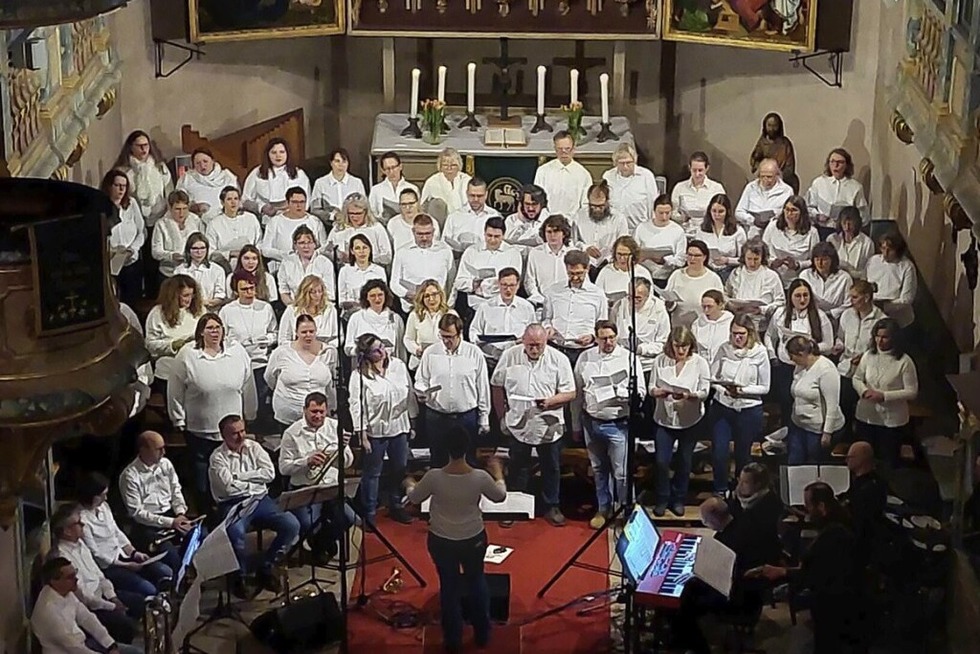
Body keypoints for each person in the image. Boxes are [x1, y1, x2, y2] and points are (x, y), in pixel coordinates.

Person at [405, 428, 507, 654]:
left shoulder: (433, 477)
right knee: (476, 580)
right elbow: (500, 496)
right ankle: (482, 634)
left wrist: (409, 482)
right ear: (467, 448)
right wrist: (498, 473)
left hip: (442, 540)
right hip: (473, 538)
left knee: (448, 588)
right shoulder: (479, 477)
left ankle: (453, 639)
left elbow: (413, 498)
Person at [750, 482, 865, 654]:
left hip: (833, 607)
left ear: (822, 506)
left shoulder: (834, 536)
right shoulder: (837, 526)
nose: (805, 510)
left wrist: (782, 572)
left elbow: (814, 575)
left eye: (808, 505)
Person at [491, 324, 577, 527]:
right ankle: (514, 505)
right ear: (523, 341)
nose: (534, 350)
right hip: (518, 423)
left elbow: (571, 393)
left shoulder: (559, 359)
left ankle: (551, 505)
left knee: (551, 467)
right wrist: (501, 416)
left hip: (548, 425)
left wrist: (550, 401)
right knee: (517, 466)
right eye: (530, 345)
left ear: (546, 342)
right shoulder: (510, 356)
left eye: (539, 345)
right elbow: (497, 385)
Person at [168, 313, 257, 504]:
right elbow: (175, 389)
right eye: (210, 328)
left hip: (231, 434)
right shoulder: (187, 355)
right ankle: (207, 518)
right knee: (203, 483)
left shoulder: (237, 352)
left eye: (218, 327)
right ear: (201, 332)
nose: (215, 332)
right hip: (201, 432)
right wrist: (178, 418)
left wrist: (250, 412)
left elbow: (248, 385)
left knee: (231, 479)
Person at [209, 414, 300, 595]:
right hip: (233, 503)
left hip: (260, 500)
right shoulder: (217, 458)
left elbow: (269, 474)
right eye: (235, 433)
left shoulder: (254, 447)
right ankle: (239, 576)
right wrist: (254, 480)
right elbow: (228, 488)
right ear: (223, 436)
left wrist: (239, 477)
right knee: (236, 535)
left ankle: (266, 566)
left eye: (243, 431)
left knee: (292, 524)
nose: (241, 436)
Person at [573, 320, 645, 529]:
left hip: (618, 422)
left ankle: (626, 508)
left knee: (621, 472)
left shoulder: (628, 358)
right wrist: (576, 424)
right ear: (596, 338)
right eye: (604, 338)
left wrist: (623, 394)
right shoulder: (585, 358)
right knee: (598, 469)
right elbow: (578, 394)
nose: (608, 342)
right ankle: (603, 508)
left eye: (612, 337)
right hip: (592, 421)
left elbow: (641, 391)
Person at [349, 333, 417, 527]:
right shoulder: (359, 376)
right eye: (376, 350)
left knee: (399, 469)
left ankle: (396, 505)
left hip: (399, 427)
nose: (382, 352)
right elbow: (356, 405)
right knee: (372, 473)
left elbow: (409, 393)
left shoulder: (398, 366)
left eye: (382, 347)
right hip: (375, 431)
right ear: (366, 355)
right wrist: (361, 435)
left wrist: (413, 421)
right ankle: (369, 511)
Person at [279, 392, 355, 562]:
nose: (318, 416)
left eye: (321, 411)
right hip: (305, 488)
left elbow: (348, 463)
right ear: (304, 410)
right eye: (314, 411)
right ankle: (321, 543)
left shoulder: (335, 427)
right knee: (308, 524)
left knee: (349, 518)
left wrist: (343, 449)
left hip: (330, 487)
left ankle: (320, 544)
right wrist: (307, 461)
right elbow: (283, 468)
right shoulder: (291, 433)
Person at [77, 473, 173, 600]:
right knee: (149, 589)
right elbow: (96, 554)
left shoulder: (104, 507)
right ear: (92, 497)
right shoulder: (82, 519)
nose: (105, 499)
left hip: (123, 555)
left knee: (165, 571)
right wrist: (126, 565)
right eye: (102, 495)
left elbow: (116, 532)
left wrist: (133, 552)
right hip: (111, 566)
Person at [50, 504, 138, 643]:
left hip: (103, 595)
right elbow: (84, 597)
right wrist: (112, 606)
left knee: (141, 602)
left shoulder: (81, 544)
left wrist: (113, 597)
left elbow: (100, 576)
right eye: (78, 523)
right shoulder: (63, 558)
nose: (83, 524)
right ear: (67, 531)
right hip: (90, 607)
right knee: (126, 626)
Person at [649, 326, 711, 516]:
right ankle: (662, 498)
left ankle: (678, 499)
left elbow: (705, 391)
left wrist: (691, 396)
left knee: (684, 461)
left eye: (685, 346)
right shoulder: (660, 360)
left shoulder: (699, 363)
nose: (681, 350)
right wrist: (658, 392)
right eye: (677, 346)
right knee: (661, 462)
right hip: (664, 418)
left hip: (689, 420)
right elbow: (651, 386)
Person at [415, 314, 491, 467]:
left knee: (468, 462)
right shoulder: (431, 352)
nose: (446, 341)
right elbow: (421, 379)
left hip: (466, 417)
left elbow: (482, 388)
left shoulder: (474, 353)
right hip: (437, 417)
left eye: (450, 336)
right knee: (438, 461)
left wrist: (484, 418)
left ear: (460, 333)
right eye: (443, 336)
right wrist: (422, 391)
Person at [710, 316, 771, 495]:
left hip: (748, 409)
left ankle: (741, 490)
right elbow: (713, 378)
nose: (737, 338)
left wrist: (742, 391)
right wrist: (724, 390)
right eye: (734, 334)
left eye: (741, 334)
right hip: (723, 407)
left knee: (743, 454)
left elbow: (765, 387)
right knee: (720, 452)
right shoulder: (724, 349)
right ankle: (720, 489)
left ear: (750, 333)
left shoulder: (759, 352)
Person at [32, 557, 142, 654]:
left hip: (83, 644)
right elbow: (75, 648)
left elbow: (87, 618)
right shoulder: (49, 611)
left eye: (75, 574)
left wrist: (110, 645)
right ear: (54, 581)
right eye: (70, 577)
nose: (76, 579)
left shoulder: (66, 592)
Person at [118, 431, 191, 572]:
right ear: (143, 450)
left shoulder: (166, 464)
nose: (163, 452)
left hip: (171, 516)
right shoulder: (130, 475)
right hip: (147, 526)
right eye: (158, 449)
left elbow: (176, 490)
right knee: (171, 554)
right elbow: (137, 513)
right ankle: (181, 583)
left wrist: (180, 513)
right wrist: (171, 522)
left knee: (200, 537)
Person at [852, 318, 919, 465]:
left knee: (887, 463)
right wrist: (863, 391)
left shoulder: (904, 361)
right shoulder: (868, 355)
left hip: (891, 422)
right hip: (867, 417)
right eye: (877, 336)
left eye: (885, 337)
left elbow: (912, 391)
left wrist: (884, 396)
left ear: (894, 338)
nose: (880, 341)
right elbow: (857, 378)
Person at [766, 278, 834, 422]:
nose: (802, 299)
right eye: (798, 295)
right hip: (785, 367)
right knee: (786, 403)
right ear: (790, 297)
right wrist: (772, 356)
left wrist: (810, 348)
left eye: (806, 295)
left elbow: (829, 344)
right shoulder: (780, 313)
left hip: (808, 369)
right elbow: (769, 335)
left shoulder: (819, 315)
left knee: (805, 404)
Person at [266, 313, 338, 430]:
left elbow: (332, 383)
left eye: (311, 331)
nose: (308, 335)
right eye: (304, 332)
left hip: (318, 417)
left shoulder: (329, 352)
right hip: (289, 416)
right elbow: (269, 377)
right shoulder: (281, 352)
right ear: (296, 332)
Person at [220, 270, 279, 409]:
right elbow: (222, 337)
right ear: (236, 291)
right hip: (236, 363)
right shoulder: (227, 310)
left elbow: (275, 332)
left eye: (252, 288)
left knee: (261, 401)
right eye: (244, 289)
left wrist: (268, 339)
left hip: (260, 362)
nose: (249, 292)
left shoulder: (265, 307)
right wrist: (235, 345)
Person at [834, 280, 886, 435]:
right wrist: (838, 345)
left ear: (867, 297)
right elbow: (840, 337)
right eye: (850, 297)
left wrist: (864, 357)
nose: (851, 301)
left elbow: (881, 348)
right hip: (846, 368)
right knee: (843, 405)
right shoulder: (847, 314)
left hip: (867, 372)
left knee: (864, 411)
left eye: (855, 297)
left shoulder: (881, 319)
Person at [786, 336, 844, 465]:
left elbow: (832, 404)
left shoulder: (826, 370)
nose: (790, 360)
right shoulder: (800, 366)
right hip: (798, 425)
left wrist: (827, 433)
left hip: (818, 429)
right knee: (794, 462)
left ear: (801, 354)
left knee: (813, 465)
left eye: (792, 356)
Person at [542, 250, 609, 358]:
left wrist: (592, 337)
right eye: (571, 273)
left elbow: (602, 324)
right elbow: (546, 318)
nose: (575, 278)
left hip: (584, 351)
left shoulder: (598, 294)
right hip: (556, 348)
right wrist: (548, 327)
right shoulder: (553, 291)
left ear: (587, 268)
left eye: (579, 273)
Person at [454, 216, 522, 315]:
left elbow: (514, 284)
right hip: (475, 306)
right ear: (484, 233)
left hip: (502, 306)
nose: (492, 240)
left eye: (497, 236)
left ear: (503, 235)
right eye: (489, 235)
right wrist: (473, 284)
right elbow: (458, 282)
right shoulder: (471, 251)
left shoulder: (513, 254)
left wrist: (491, 286)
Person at [390, 214, 455, 313]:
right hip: (412, 308)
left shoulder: (445, 251)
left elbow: (452, 281)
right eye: (420, 234)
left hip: (439, 308)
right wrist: (407, 294)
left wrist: (449, 305)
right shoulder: (402, 252)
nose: (424, 238)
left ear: (433, 231)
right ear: (413, 232)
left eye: (428, 233)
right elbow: (394, 283)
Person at [144, 274, 204, 382]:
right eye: (185, 295)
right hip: (168, 371)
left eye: (192, 295)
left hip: (195, 371)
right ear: (173, 296)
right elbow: (150, 344)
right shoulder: (157, 314)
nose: (189, 299)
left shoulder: (200, 311)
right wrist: (172, 345)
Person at [468, 267, 536, 360]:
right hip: (491, 358)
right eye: (504, 285)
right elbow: (474, 332)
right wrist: (490, 349)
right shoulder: (485, 307)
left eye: (512, 285)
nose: (508, 289)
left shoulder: (527, 307)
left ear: (518, 285)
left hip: (518, 357)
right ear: (498, 284)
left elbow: (533, 333)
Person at [102, 170, 145, 306]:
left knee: (133, 300)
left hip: (131, 259)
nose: (121, 189)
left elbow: (141, 231)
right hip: (112, 261)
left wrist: (133, 249)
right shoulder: (102, 207)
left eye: (124, 186)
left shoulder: (131, 204)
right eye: (117, 185)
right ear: (109, 186)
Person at [113, 130, 172, 229]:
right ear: (131, 147)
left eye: (146, 145)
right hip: (134, 222)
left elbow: (170, 192)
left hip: (160, 219)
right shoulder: (123, 172)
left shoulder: (160, 167)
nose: (143, 149)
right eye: (139, 145)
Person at [805, 148, 869, 239]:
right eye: (832, 162)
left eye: (840, 162)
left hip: (845, 232)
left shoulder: (856, 187)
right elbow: (808, 207)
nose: (836, 165)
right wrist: (817, 216)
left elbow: (863, 215)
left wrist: (849, 222)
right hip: (822, 229)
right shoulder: (818, 183)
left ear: (847, 165)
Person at [724, 238, 785, 333]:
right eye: (749, 259)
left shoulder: (771, 276)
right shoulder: (736, 273)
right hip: (738, 322)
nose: (752, 263)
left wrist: (761, 309)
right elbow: (726, 294)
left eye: (756, 259)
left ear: (762, 258)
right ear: (744, 257)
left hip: (762, 324)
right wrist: (732, 305)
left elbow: (781, 302)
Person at [259, 186, 327, 271]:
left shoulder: (315, 222)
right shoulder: (275, 221)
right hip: (281, 267)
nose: (299, 205)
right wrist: (285, 255)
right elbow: (265, 250)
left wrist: (309, 255)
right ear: (287, 203)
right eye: (295, 202)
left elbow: (324, 247)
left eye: (302, 202)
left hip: (310, 268)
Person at [242, 137, 311, 220]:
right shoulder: (257, 172)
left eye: (282, 152)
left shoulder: (299, 174)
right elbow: (245, 200)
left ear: (287, 154)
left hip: (292, 219)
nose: (278, 156)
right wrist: (262, 207)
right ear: (268, 154)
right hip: (265, 219)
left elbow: (306, 202)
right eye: (274, 152)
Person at [842, 441, 888, 566]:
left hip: (862, 549)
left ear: (860, 460)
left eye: (849, 457)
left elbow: (861, 524)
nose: (846, 460)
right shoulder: (868, 482)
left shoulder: (867, 489)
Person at [728, 463, 784, 565]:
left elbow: (760, 536)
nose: (739, 485)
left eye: (745, 482)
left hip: (761, 557)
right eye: (739, 480)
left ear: (757, 485)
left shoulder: (771, 504)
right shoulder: (734, 498)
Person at [612, 277, 671, 374]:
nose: (633, 300)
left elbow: (664, 343)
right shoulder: (619, 306)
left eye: (638, 298)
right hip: (623, 364)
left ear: (647, 296)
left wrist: (641, 349)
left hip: (648, 365)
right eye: (630, 296)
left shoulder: (659, 310)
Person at [762, 195, 820, 287]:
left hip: (799, 280)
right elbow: (762, 253)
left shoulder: (812, 232)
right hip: (774, 279)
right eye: (787, 209)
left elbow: (814, 260)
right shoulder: (772, 227)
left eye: (793, 210)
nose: (789, 213)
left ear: (802, 213)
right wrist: (772, 262)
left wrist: (798, 265)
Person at [664, 239, 724, 328]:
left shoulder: (713, 278)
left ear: (704, 257)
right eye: (690, 255)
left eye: (697, 256)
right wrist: (669, 304)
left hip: (704, 326)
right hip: (679, 325)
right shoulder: (676, 275)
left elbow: (720, 305)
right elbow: (665, 298)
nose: (692, 259)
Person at [571, 181, 628, 273]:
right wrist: (585, 248)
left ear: (607, 202)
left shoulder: (619, 218)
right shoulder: (579, 215)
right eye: (593, 206)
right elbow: (572, 241)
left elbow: (624, 244)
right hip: (584, 265)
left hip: (610, 266)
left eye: (601, 206)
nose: (597, 209)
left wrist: (609, 257)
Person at [533, 130, 593, 218]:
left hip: (573, 222)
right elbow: (538, 199)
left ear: (573, 149)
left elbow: (585, 204)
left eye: (567, 149)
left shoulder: (583, 174)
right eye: (560, 149)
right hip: (547, 220)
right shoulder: (543, 171)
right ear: (555, 149)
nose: (564, 152)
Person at [632, 194, 688, 287]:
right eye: (661, 213)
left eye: (667, 213)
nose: (664, 217)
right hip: (643, 276)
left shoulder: (678, 231)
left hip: (667, 277)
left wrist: (665, 260)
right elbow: (633, 252)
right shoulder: (642, 228)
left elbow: (681, 260)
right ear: (654, 211)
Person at [345, 279, 407, 361]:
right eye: (372, 296)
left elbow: (401, 350)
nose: (377, 299)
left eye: (380, 295)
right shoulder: (356, 318)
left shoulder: (396, 319)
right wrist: (362, 350)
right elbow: (348, 348)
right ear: (366, 297)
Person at [602, 142, 659, 231]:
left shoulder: (646, 176)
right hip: (614, 229)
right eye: (621, 163)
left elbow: (652, 203)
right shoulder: (608, 176)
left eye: (628, 162)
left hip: (639, 228)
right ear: (615, 162)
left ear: (634, 160)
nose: (625, 167)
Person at [866, 230, 917, 329]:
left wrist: (884, 307)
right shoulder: (873, 261)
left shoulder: (907, 267)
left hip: (899, 322)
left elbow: (907, 299)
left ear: (898, 250)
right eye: (883, 248)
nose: (885, 253)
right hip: (875, 319)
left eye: (890, 250)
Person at [524, 213, 578, 305]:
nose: (552, 235)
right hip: (542, 303)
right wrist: (540, 299)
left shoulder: (574, 253)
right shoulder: (535, 253)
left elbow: (582, 280)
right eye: (549, 232)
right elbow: (529, 281)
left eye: (556, 231)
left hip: (570, 302)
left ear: (564, 233)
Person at [326, 193, 393, 265]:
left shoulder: (376, 228)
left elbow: (387, 257)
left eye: (358, 213)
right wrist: (338, 256)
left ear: (366, 212)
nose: (355, 217)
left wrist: (364, 258)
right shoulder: (338, 229)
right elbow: (327, 252)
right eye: (351, 213)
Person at [404, 279, 457, 370]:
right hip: (421, 363)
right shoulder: (415, 315)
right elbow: (408, 338)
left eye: (434, 294)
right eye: (427, 296)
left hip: (445, 363)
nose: (431, 299)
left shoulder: (450, 314)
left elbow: (458, 338)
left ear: (440, 295)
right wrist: (416, 350)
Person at [205, 186, 263, 268]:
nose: (233, 202)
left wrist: (251, 255)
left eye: (236, 199)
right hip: (225, 265)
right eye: (229, 199)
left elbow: (259, 242)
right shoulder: (214, 223)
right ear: (222, 202)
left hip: (251, 262)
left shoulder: (251, 218)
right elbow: (210, 252)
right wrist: (231, 253)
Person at [671, 151, 726, 237]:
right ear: (689, 168)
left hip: (708, 234)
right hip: (685, 233)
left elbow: (723, 213)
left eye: (700, 170)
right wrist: (681, 218)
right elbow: (672, 212)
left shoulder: (716, 188)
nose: (697, 174)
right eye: (694, 170)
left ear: (707, 168)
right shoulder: (679, 187)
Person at [735, 158, 794, 239]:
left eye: (769, 177)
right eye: (762, 176)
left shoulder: (787, 191)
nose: (765, 180)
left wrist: (774, 215)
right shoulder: (751, 187)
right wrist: (752, 220)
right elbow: (738, 212)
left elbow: (790, 214)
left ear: (777, 175)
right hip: (752, 234)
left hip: (776, 235)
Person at [277, 225, 336, 305]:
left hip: (320, 308)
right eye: (301, 243)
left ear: (315, 244)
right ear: (295, 245)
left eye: (309, 242)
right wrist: (295, 307)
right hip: (295, 307)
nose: (306, 246)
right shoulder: (287, 263)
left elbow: (329, 295)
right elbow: (284, 292)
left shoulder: (325, 263)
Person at [176, 147, 239, 222]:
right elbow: (178, 203)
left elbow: (238, 201)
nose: (202, 166)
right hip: (198, 222)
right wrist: (194, 207)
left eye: (205, 161)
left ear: (213, 161)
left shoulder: (227, 177)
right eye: (198, 163)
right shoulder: (186, 179)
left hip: (226, 221)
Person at [151, 190, 203, 279]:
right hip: (169, 273)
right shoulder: (161, 224)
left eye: (184, 209)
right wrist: (171, 256)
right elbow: (156, 252)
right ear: (170, 208)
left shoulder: (195, 220)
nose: (181, 213)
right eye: (177, 209)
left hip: (192, 272)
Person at [443, 178, 501, 256]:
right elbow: (444, 244)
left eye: (480, 196)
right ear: (467, 194)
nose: (475, 199)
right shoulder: (454, 217)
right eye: (472, 195)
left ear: (486, 194)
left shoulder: (495, 216)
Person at [278, 274, 339, 346]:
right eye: (313, 292)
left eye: (320, 291)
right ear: (305, 293)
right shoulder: (291, 310)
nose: (318, 295)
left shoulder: (330, 310)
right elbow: (283, 340)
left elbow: (335, 339)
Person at [697, 193, 746, 282]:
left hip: (729, 271)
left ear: (727, 211)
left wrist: (727, 260)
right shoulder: (702, 230)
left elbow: (744, 259)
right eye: (714, 211)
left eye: (721, 211)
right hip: (707, 270)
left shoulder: (738, 231)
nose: (717, 215)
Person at [310, 147, 366, 222]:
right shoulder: (320, 183)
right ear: (331, 163)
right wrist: (333, 216)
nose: (341, 165)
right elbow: (315, 210)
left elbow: (363, 206)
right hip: (328, 225)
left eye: (344, 161)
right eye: (337, 161)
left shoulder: (357, 183)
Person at [800, 241, 853, 320]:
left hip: (835, 319)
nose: (820, 263)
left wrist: (831, 313)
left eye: (824, 259)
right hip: (809, 317)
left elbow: (849, 303)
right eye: (817, 259)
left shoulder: (844, 278)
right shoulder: (805, 275)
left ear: (832, 260)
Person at [173, 232, 226, 308]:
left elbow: (220, 296)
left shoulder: (217, 270)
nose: (199, 252)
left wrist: (206, 303)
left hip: (210, 310)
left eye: (202, 248)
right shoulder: (179, 271)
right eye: (195, 248)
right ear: (188, 250)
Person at [337, 233, 387, 313]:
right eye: (357, 248)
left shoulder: (379, 271)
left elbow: (383, 297)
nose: (361, 251)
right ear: (352, 251)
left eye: (364, 248)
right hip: (351, 314)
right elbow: (341, 298)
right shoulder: (345, 271)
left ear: (370, 249)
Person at [595, 235, 653, 299]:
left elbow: (649, 298)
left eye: (625, 254)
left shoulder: (643, 273)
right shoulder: (606, 271)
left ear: (633, 255)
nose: (622, 258)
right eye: (619, 254)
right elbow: (597, 296)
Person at [749, 113, 796, 191]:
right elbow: (755, 161)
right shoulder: (762, 143)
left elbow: (789, 167)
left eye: (775, 126)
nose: (772, 129)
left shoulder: (785, 144)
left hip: (782, 180)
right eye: (769, 125)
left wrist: (777, 177)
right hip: (764, 179)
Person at [420, 147, 472, 216]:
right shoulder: (432, 181)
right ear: (440, 166)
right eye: (445, 165)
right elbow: (423, 206)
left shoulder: (467, 180)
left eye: (453, 165)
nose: (449, 168)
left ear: (459, 166)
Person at [369, 151, 420, 221]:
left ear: (400, 166)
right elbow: (372, 214)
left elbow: (417, 212)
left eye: (394, 167)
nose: (391, 172)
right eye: (387, 169)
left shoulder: (413, 188)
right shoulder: (376, 189)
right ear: (383, 170)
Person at [503, 183, 550, 256]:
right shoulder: (511, 219)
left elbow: (539, 239)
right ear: (521, 204)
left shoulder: (548, 220)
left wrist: (516, 241)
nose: (531, 208)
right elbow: (506, 239)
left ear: (542, 204)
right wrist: (521, 221)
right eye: (527, 204)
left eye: (534, 204)